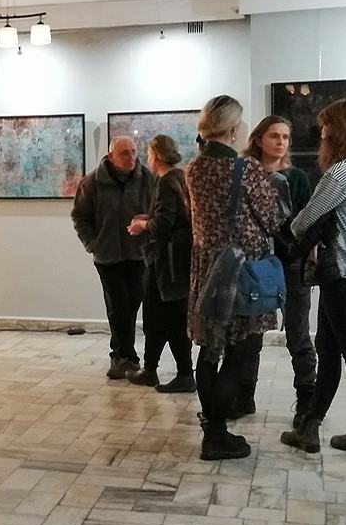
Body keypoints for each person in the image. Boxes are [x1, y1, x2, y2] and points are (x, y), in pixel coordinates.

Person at [280, 99, 346, 455]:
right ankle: (310, 427)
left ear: (338, 130)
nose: (321, 133)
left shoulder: (341, 173)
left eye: (325, 126)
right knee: (329, 348)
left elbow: (303, 222)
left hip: (342, 272)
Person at [186, 95, 280, 461]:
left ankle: (212, 429)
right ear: (232, 129)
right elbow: (272, 219)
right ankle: (216, 434)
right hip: (242, 273)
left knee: (210, 351)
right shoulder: (246, 169)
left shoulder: (194, 169)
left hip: (207, 271)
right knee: (239, 354)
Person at [244, 116, 316, 421]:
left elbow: (308, 221)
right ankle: (244, 396)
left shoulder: (296, 178)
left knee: (298, 333)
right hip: (256, 264)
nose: (281, 142)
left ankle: (306, 400)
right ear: (259, 139)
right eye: (275, 135)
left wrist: (306, 253)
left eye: (285, 137)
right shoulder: (247, 176)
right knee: (251, 334)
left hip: (291, 263)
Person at [71, 135, 153, 378]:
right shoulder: (92, 182)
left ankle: (123, 356)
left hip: (138, 255)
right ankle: (123, 357)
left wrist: (148, 225)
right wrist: (93, 244)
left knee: (132, 304)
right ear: (111, 156)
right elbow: (80, 216)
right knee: (118, 306)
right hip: (107, 257)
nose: (131, 157)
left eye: (134, 152)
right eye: (124, 153)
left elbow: (158, 212)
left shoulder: (148, 179)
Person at [126, 135, 195, 393]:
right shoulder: (180, 178)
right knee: (169, 317)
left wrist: (143, 224)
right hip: (176, 262)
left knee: (161, 317)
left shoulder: (166, 182)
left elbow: (164, 224)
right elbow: (174, 217)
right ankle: (154, 369)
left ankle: (177, 373)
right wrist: (148, 217)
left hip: (166, 262)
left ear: (155, 155)